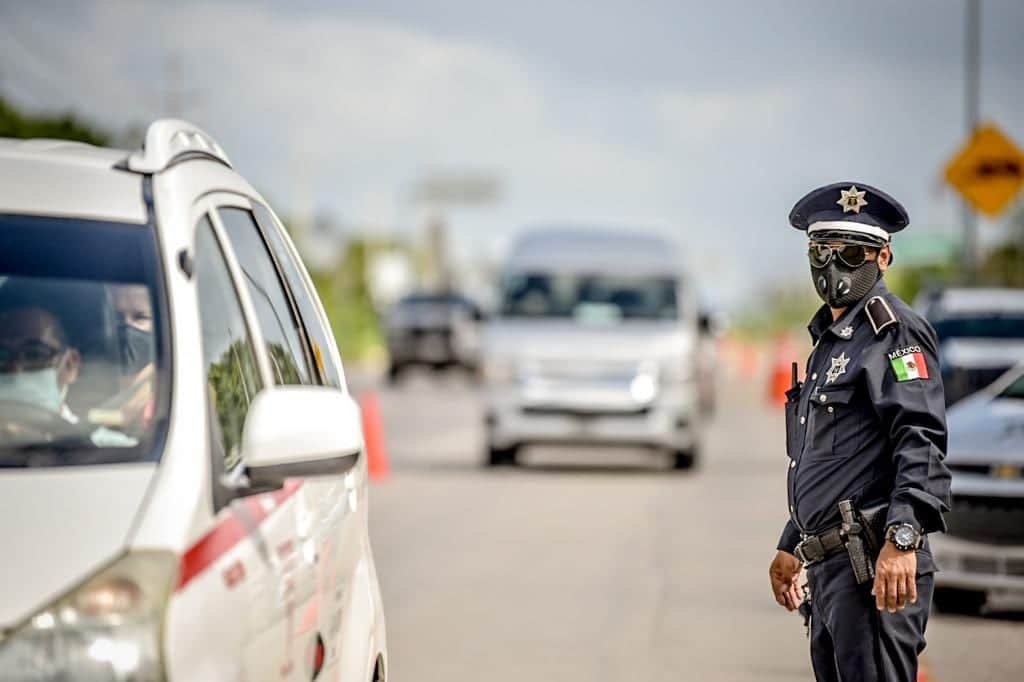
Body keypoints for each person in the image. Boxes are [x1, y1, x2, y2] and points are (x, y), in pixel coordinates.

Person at [768, 182, 952, 681]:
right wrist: (792, 542)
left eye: (851, 254)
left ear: (882, 257)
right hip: (829, 569)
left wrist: (903, 538)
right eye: (821, 252)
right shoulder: (831, 340)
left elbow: (919, 438)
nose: (834, 267)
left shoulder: (894, 332)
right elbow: (830, 459)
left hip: (872, 566)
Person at [0, 303, 82, 423]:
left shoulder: (94, 436)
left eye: (34, 355)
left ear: (70, 363)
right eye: (2, 355)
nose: (14, 368)